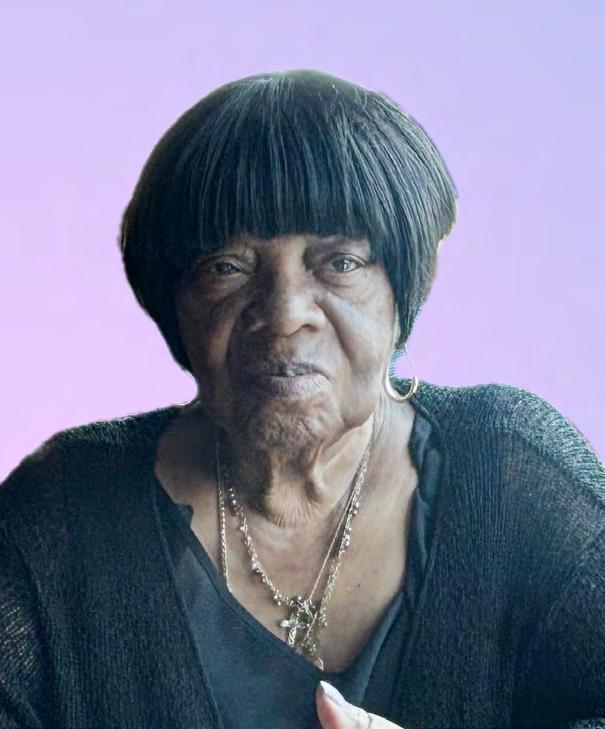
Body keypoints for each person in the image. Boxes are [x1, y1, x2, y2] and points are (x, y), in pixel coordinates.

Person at [1, 69, 603, 729]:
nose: (286, 314)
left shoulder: (512, 477)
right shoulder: (60, 518)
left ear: (402, 285)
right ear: (174, 301)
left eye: (340, 262)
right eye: (227, 267)